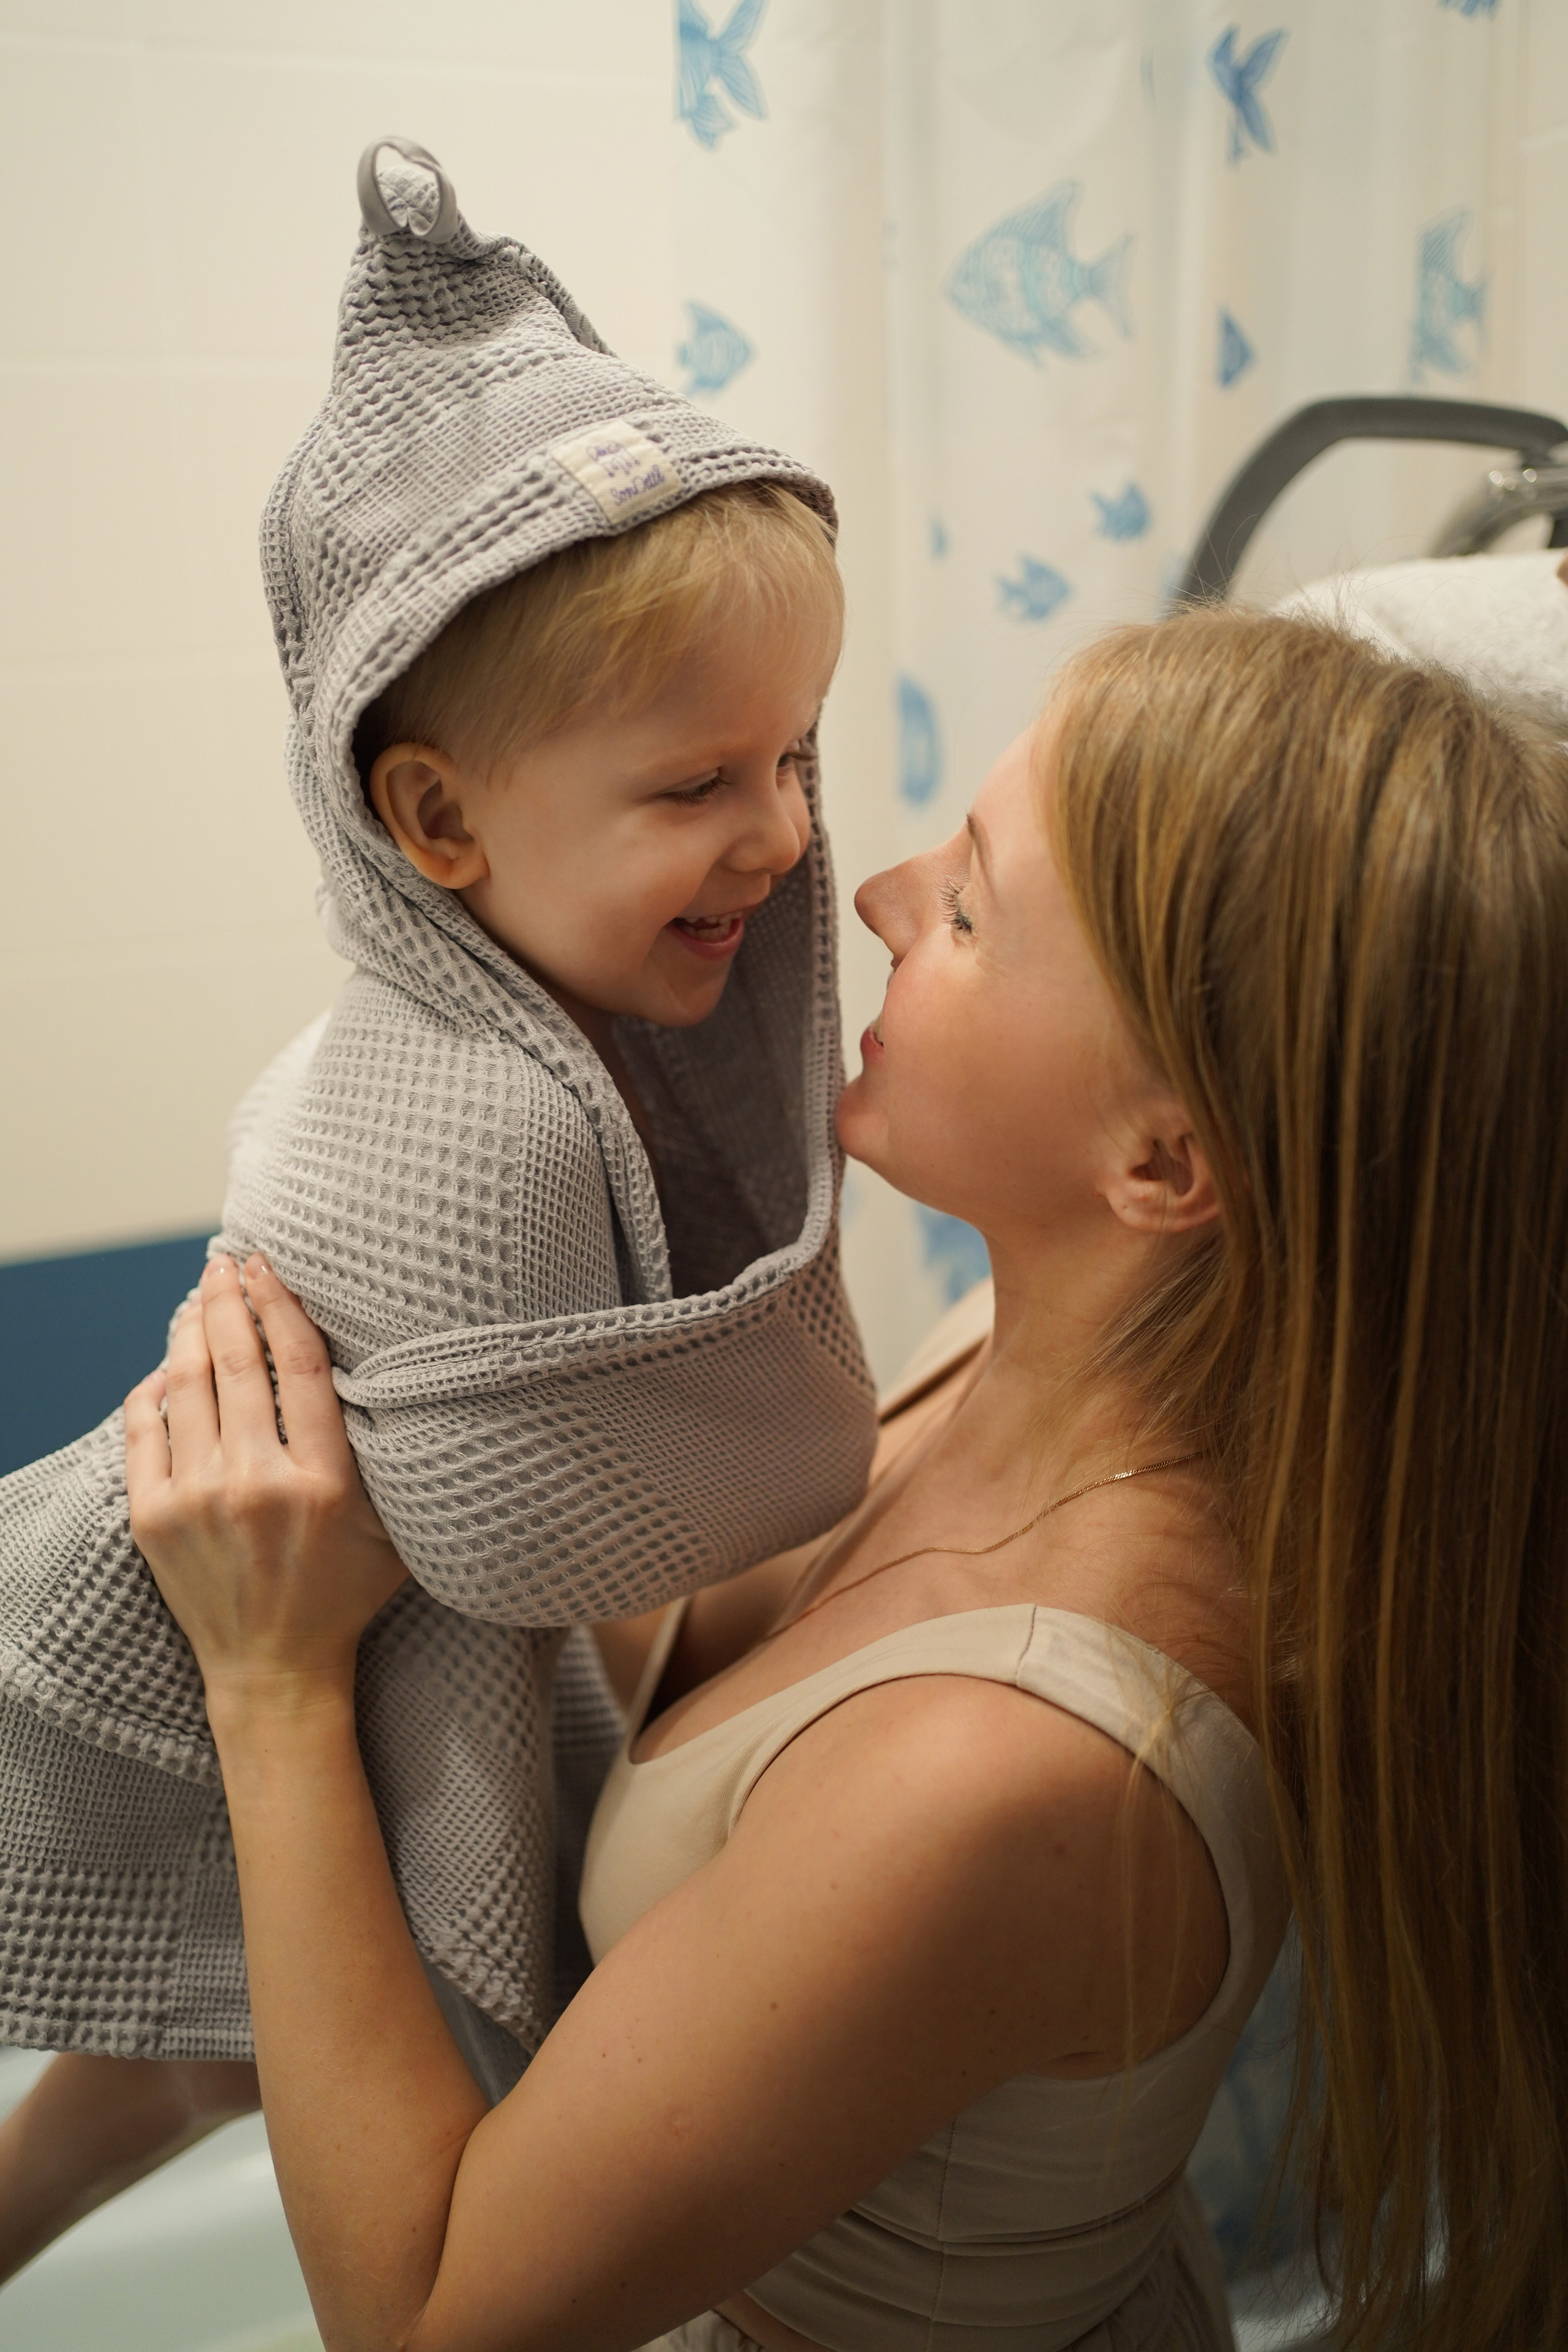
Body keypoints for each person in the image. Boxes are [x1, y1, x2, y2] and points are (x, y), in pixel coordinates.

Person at [120, 598, 1568, 2352]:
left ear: (1163, 1158)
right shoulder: (1026, 1362)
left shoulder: (1010, 1772)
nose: (872, 895)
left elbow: (431, 2324)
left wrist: (272, 1681)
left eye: (966, 907)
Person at [0, 140, 876, 2278]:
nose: (783, 837)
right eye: (697, 788)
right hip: (266, 1602)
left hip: (321, 1592)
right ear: (436, 821)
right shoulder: (473, 1129)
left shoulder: (550, 987)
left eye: (797, 756)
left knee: (209, 2045)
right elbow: (555, 1521)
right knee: (279, 2006)